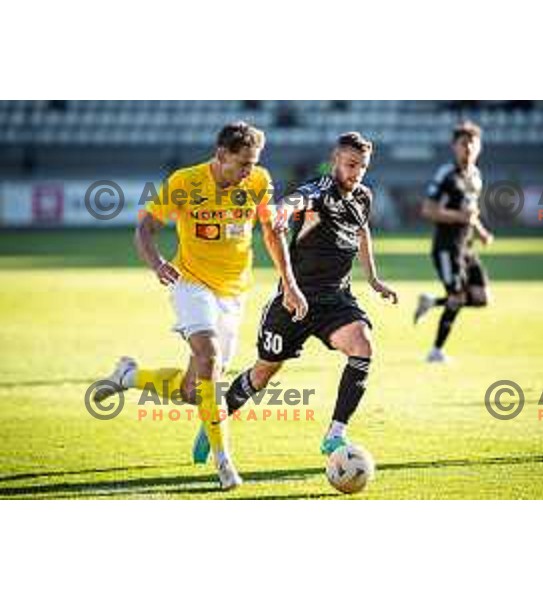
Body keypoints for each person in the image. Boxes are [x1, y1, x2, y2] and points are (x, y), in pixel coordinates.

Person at [93, 122, 307, 490]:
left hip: (234, 291)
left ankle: (128, 376)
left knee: (195, 390)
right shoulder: (185, 182)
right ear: (221, 155)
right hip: (190, 282)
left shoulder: (258, 182)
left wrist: (290, 283)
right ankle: (224, 462)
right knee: (207, 357)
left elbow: (272, 233)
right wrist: (158, 263)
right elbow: (144, 228)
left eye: (253, 163)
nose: (248, 171)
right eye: (242, 163)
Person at [206, 131, 398, 457]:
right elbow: (296, 201)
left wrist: (374, 279)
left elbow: (363, 231)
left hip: (336, 300)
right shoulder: (320, 189)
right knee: (263, 372)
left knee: (362, 346)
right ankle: (212, 421)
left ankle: (335, 434)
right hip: (295, 300)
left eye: (362, 166)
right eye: (351, 164)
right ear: (336, 160)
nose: (356, 172)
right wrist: (281, 212)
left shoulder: (363, 196)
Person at [415, 120, 494, 362]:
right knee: (458, 297)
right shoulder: (446, 175)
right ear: (454, 146)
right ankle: (435, 351)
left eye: (473, 142)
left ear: (479, 146)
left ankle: (431, 301)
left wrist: (480, 231)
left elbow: (470, 211)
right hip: (447, 249)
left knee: (482, 298)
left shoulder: (476, 176)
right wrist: (461, 217)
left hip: (466, 248)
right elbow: (428, 210)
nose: (468, 147)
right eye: (463, 143)